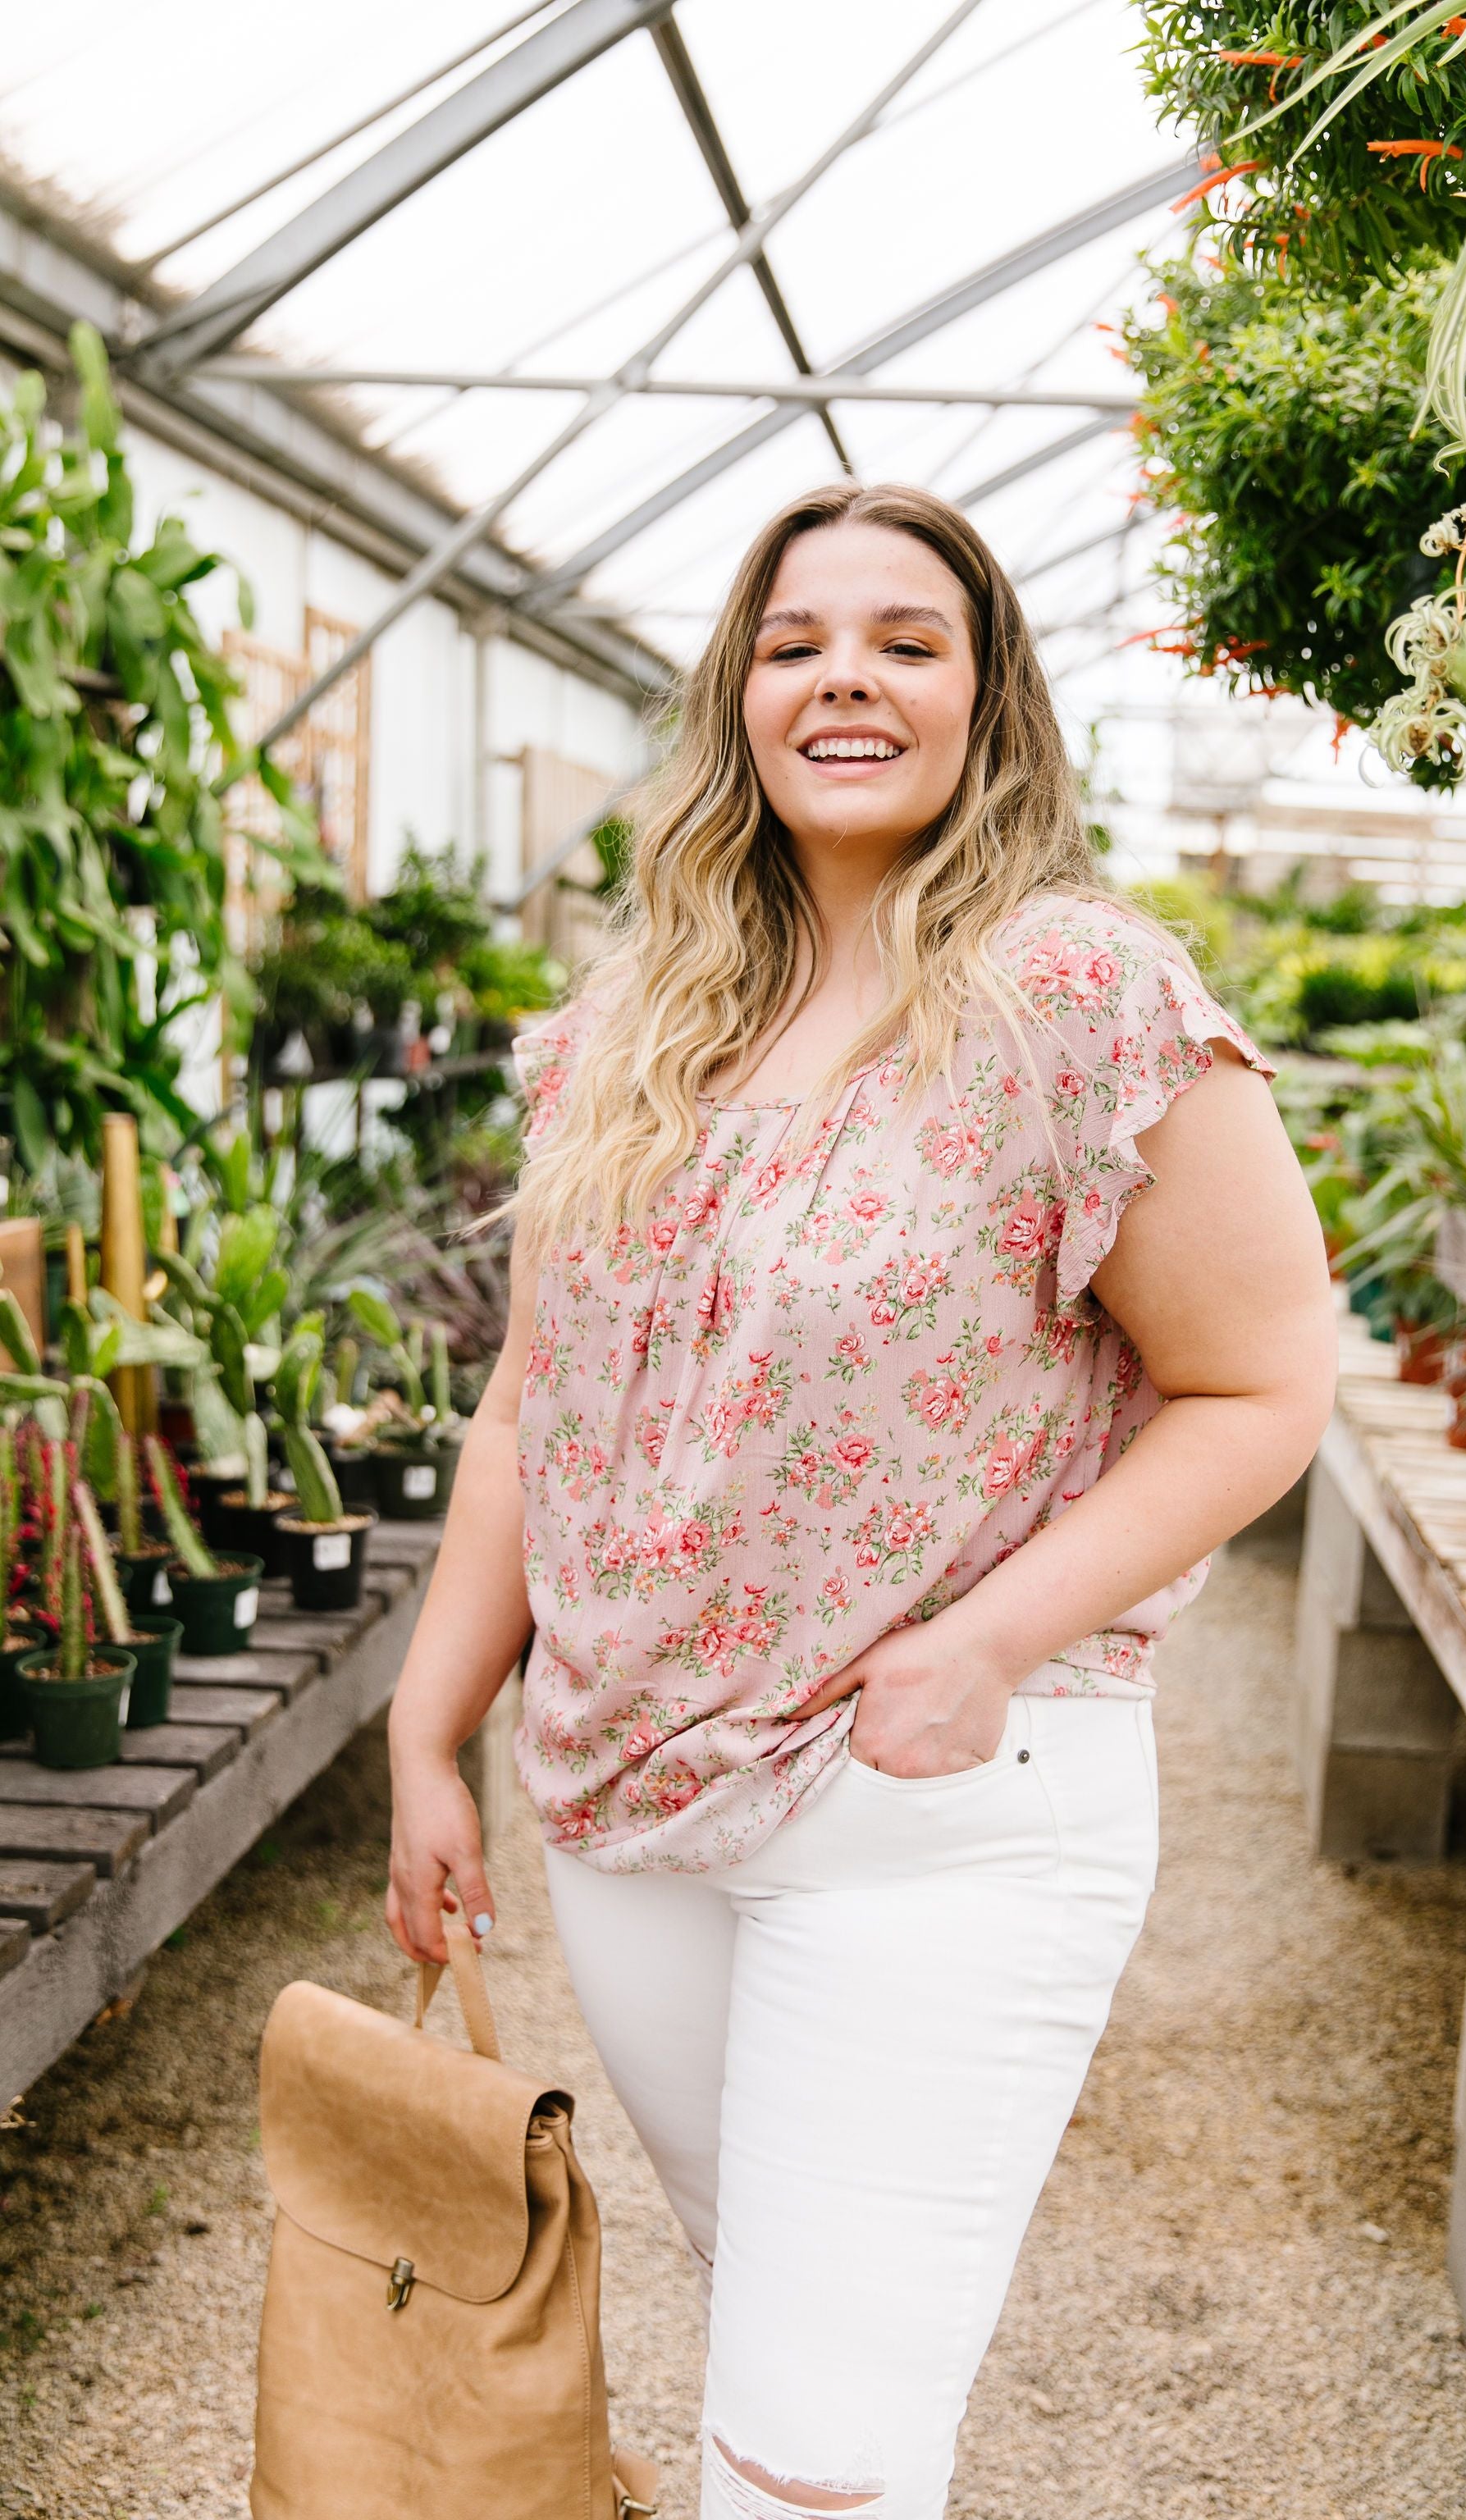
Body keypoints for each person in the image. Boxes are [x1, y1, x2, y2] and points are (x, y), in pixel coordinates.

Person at [386, 482, 1337, 2520]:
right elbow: (524, 1413)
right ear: (738, 690)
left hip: (926, 1814)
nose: (845, 677)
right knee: (794, 2350)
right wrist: (422, 1730)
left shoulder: (1078, 1001)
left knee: (810, 2458)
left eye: (908, 641)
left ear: (986, 701)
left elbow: (1262, 1385)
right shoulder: (629, 1032)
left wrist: (983, 1641)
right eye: (798, 638)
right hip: (627, 1811)